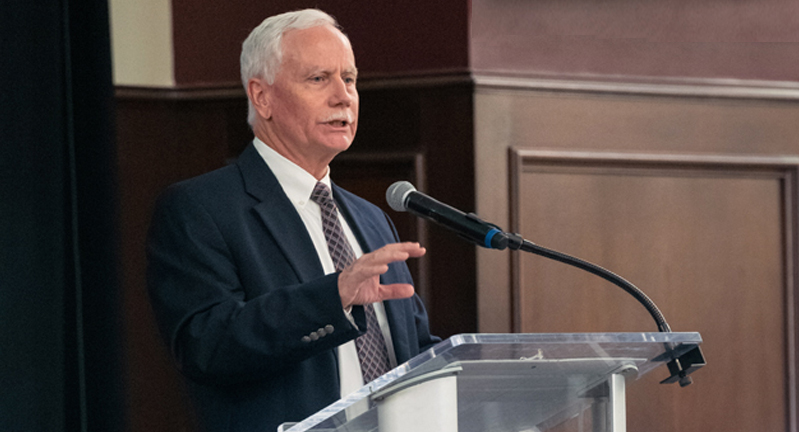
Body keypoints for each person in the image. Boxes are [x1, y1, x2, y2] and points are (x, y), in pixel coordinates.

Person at [146, 8, 440, 432]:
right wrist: (333, 296)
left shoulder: (370, 218)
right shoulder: (200, 208)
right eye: (319, 79)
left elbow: (412, 351)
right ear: (262, 97)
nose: (343, 96)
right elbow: (207, 347)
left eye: (350, 79)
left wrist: (503, 379)